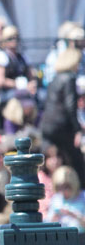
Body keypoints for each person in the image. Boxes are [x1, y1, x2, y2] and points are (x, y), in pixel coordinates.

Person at [39, 47, 84, 181]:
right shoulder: (69, 78)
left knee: (53, 159)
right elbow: (70, 106)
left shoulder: (55, 79)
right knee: (77, 160)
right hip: (61, 126)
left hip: (47, 126)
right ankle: (80, 190)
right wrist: (77, 129)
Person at [0, 25, 36, 102]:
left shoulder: (23, 57)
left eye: (16, 38)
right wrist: (21, 85)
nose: (14, 41)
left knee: (41, 95)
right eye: (10, 38)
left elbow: (31, 76)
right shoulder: (1, 56)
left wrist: (32, 85)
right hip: (7, 94)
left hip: (24, 91)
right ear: (4, 40)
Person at [38, 143, 63, 219]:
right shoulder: (40, 177)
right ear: (45, 160)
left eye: (57, 156)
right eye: (51, 157)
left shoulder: (67, 175)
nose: (55, 161)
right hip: (44, 217)